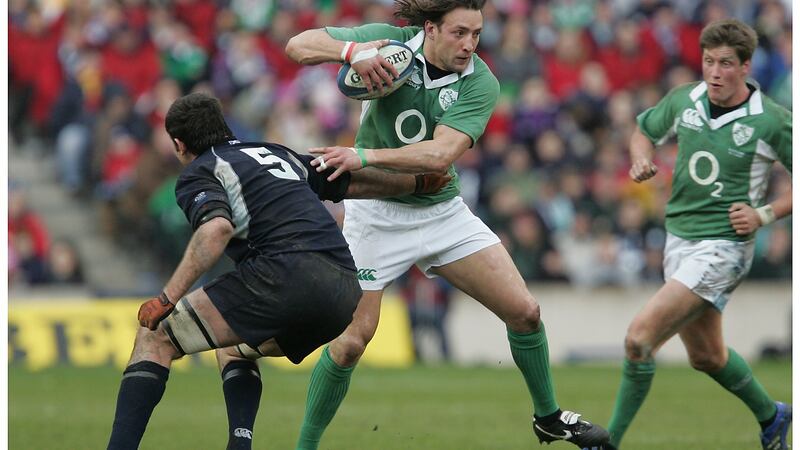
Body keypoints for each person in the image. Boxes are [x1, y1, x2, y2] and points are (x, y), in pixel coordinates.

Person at [282, 1, 610, 448]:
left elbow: (440, 155)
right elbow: (297, 45)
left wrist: (363, 155)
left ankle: (548, 418)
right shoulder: (392, 42)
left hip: (441, 210)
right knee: (351, 342)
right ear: (431, 28)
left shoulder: (481, 81)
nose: (469, 44)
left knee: (526, 313)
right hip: (375, 213)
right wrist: (352, 52)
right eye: (459, 33)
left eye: (476, 34)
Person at [105, 92, 450, 450]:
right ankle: (240, 444)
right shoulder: (277, 153)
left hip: (284, 275)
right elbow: (350, 181)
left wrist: (167, 298)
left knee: (155, 336)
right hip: (344, 289)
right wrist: (415, 184)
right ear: (223, 127)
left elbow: (215, 231)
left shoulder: (201, 170)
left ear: (179, 144)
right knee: (235, 348)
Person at [592, 19, 792, 450]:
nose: (715, 72)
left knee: (638, 339)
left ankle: (609, 442)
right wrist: (640, 160)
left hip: (724, 246)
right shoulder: (685, 99)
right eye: (708, 61)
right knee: (707, 357)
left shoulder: (772, 121)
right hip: (678, 239)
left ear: (745, 67)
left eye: (725, 63)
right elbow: (643, 131)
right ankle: (772, 415)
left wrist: (764, 215)